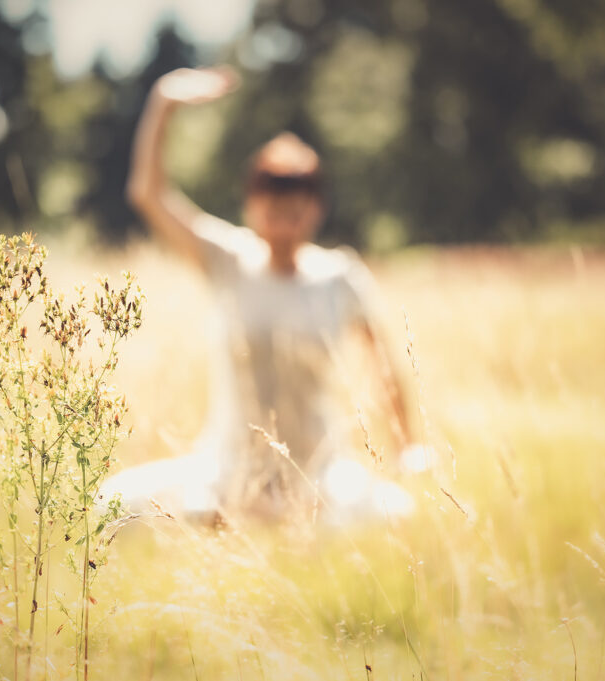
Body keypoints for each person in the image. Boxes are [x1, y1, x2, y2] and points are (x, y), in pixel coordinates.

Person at [103, 66, 420, 522]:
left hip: (320, 476)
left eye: (298, 194)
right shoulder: (227, 259)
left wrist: (408, 448)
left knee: (400, 515)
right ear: (251, 201)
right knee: (111, 506)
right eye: (271, 192)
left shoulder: (340, 275)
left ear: (317, 205)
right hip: (225, 472)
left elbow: (385, 364)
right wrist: (163, 101)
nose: (283, 206)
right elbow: (147, 193)